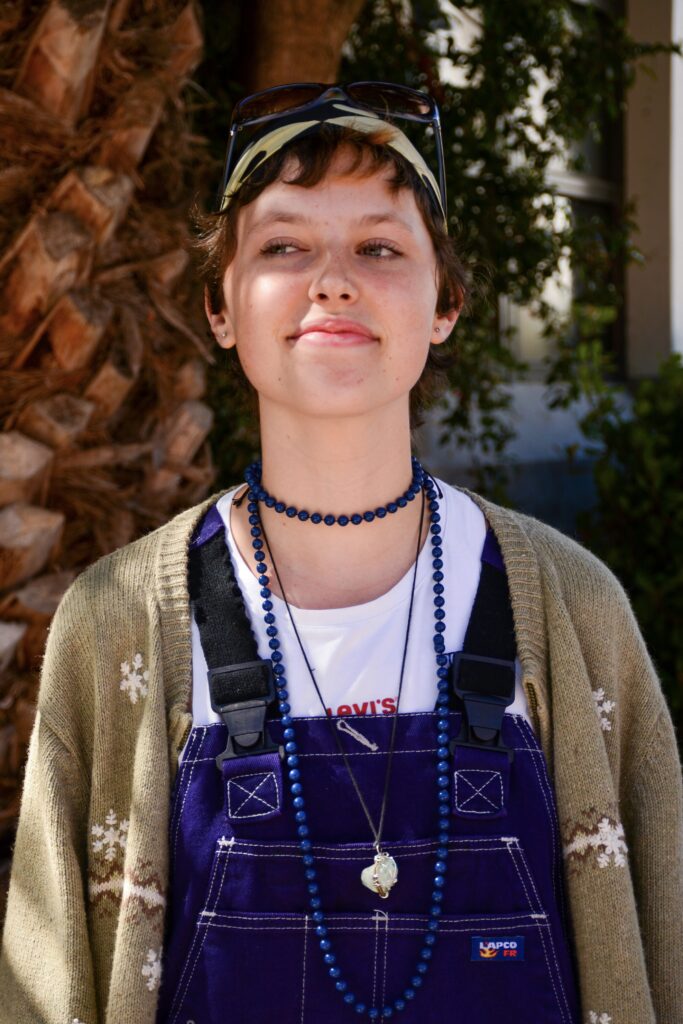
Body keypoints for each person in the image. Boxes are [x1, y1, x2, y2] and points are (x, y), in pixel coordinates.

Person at [0, 82, 681, 1024]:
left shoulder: (569, 607)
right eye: (282, 245)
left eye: (378, 247)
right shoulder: (118, 623)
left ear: (444, 303)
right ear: (220, 308)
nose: (332, 279)